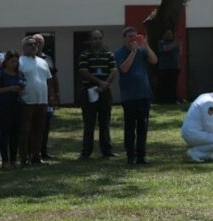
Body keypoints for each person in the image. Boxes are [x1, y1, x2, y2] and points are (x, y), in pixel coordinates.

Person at [115, 26, 157, 165]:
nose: (133, 39)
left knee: (142, 126)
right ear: (124, 38)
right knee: (129, 127)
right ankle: (130, 156)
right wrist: (133, 52)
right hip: (129, 96)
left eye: (135, 36)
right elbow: (124, 68)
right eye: (130, 37)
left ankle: (141, 156)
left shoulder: (141, 51)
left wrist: (146, 46)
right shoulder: (120, 52)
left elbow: (154, 60)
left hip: (143, 95)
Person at [77, 30, 118, 159]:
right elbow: (83, 72)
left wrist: (106, 84)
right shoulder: (85, 54)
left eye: (100, 38)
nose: (97, 40)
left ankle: (107, 150)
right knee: (89, 122)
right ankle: (86, 152)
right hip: (89, 90)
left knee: (105, 122)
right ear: (90, 40)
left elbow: (113, 70)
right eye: (95, 38)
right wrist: (99, 82)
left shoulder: (108, 54)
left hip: (105, 91)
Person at [18, 36, 53, 166]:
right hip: (27, 101)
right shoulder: (20, 61)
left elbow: (49, 80)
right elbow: (18, 79)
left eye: (35, 44)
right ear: (23, 47)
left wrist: (51, 96)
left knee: (39, 130)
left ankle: (36, 157)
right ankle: (23, 158)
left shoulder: (42, 61)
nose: (33, 46)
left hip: (42, 101)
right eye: (29, 44)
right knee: (25, 130)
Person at [0, 51, 24, 169]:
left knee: (15, 133)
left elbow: (22, 86)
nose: (14, 64)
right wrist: (10, 88)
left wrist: (20, 90)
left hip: (16, 106)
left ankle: (13, 160)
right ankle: (5, 161)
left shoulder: (19, 74)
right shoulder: (0, 75)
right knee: (5, 133)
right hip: (3, 107)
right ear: (6, 62)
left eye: (16, 62)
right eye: (12, 61)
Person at [33, 34, 59, 160]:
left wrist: (56, 94)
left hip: (47, 98)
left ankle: (43, 151)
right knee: (33, 126)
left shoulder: (48, 59)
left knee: (45, 125)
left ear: (43, 44)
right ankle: (32, 152)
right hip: (32, 98)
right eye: (35, 42)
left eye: (40, 42)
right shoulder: (27, 59)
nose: (37, 45)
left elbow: (54, 77)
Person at [156, 29, 181, 104]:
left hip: (174, 67)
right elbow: (165, 49)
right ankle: (162, 100)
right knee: (164, 85)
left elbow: (179, 53)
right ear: (164, 35)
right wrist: (175, 44)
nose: (170, 35)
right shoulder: (161, 42)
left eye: (171, 34)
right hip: (164, 67)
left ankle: (172, 100)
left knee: (173, 85)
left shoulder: (174, 44)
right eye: (168, 34)